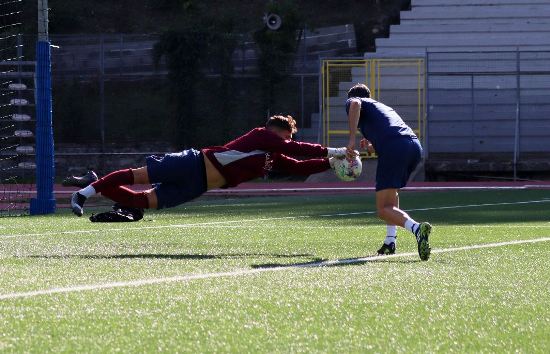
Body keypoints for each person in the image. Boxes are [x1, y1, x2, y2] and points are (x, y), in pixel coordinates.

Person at [71, 115, 348, 216]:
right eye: (286, 136)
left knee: (142, 202)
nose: (286, 141)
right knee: (137, 176)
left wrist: (330, 162)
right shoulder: (262, 135)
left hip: (199, 184)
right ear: (275, 131)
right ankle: (84, 193)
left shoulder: (273, 156)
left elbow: (299, 167)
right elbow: (294, 148)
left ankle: (95, 182)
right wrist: (334, 149)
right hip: (193, 162)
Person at [345, 83, 432, 261]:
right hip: (413, 146)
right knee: (391, 199)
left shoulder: (355, 101)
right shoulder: (382, 107)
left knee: (383, 209)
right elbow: (390, 136)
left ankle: (417, 229)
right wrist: (371, 146)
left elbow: (354, 105)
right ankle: (390, 242)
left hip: (395, 147)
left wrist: (352, 140)